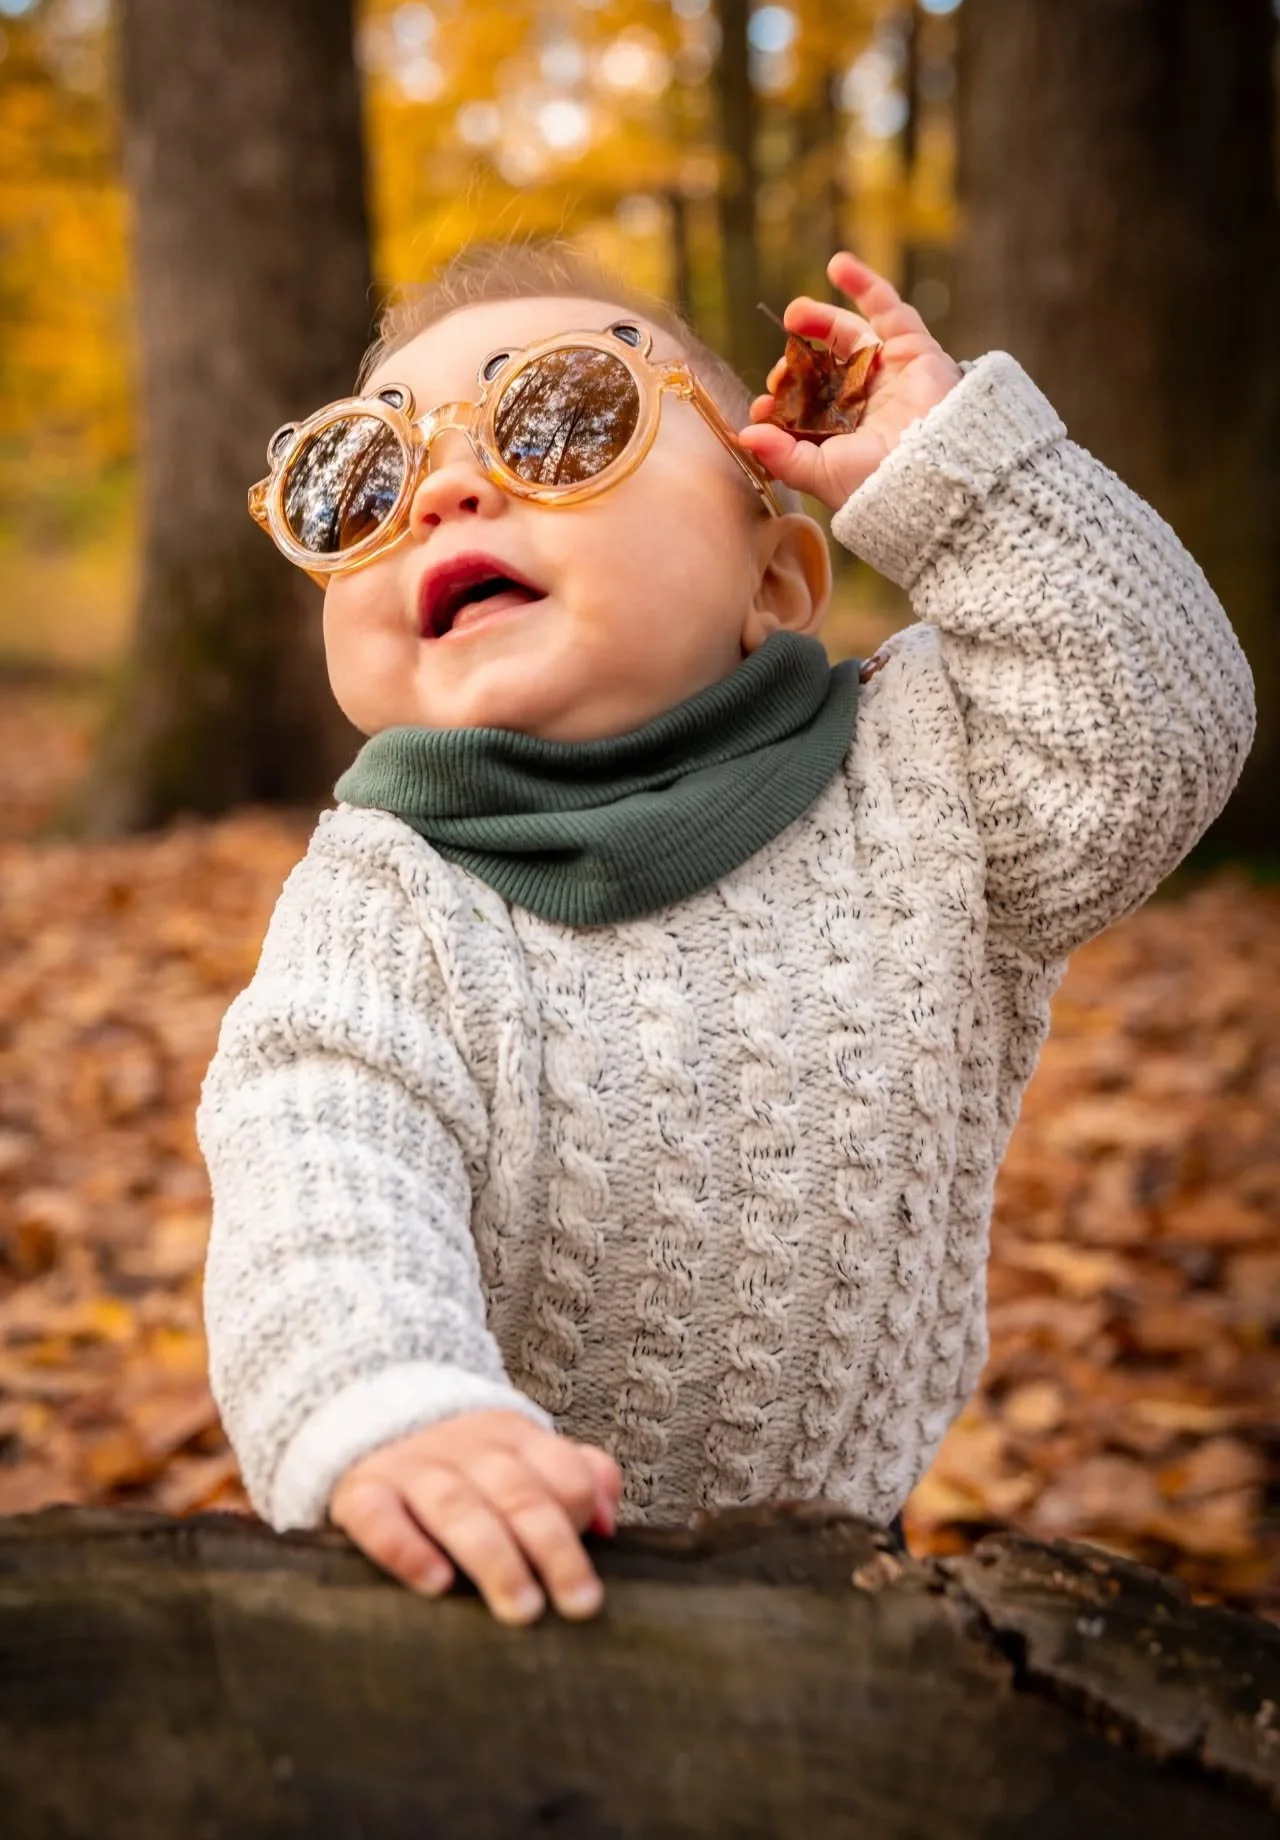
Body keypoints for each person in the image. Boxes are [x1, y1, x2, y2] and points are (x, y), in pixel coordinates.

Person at [197, 244, 1254, 1628]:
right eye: (365, 483)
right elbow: (321, 1164)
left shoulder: (924, 775)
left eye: (561, 421)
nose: (447, 492)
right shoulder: (385, 895)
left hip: (842, 1577)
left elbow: (1157, 735)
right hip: (481, 1567)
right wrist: (394, 1408)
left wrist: (964, 480)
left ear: (776, 581)